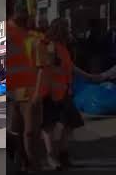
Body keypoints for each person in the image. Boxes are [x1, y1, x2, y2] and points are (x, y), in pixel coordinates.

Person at [7, 0, 45, 171]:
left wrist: (37, 93)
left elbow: (41, 69)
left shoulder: (36, 39)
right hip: (13, 94)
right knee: (16, 131)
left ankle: (33, 165)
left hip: (29, 95)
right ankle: (22, 161)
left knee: (30, 133)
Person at [44, 18, 85, 168]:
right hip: (51, 93)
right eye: (66, 27)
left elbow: (70, 67)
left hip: (64, 92)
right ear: (59, 29)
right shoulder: (51, 47)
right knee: (50, 127)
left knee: (70, 123)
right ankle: (52, 157)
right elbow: (46, 69)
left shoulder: (63, 47)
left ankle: (62, 154)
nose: (69, 30)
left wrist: (92, 77)